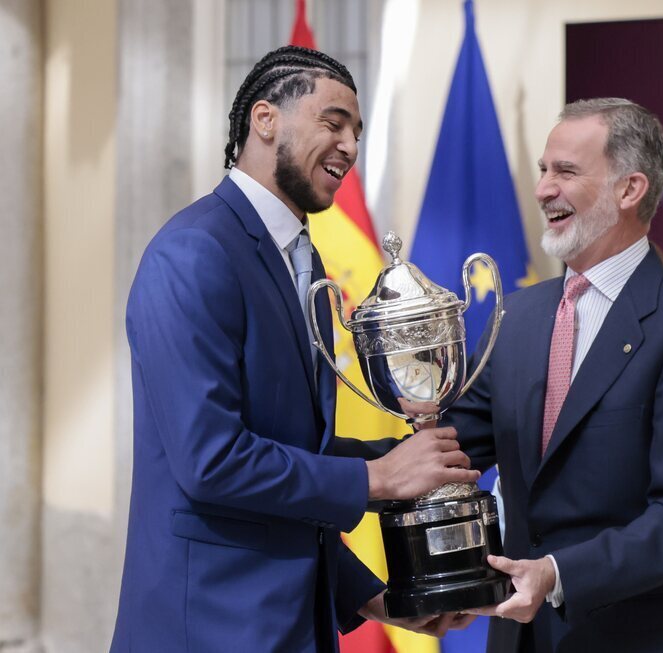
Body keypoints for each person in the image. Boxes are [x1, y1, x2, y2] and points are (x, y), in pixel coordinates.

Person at [110, 46, 479, 653]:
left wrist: (379, 598)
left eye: (356, 132)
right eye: (332, 122)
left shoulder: (302, 262)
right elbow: (214, 461)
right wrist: (377, 476)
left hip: (290, 629)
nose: (350, 147)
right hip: (208, 631)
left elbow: (289, 452)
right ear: (265, 120)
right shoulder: (193, 252)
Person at [443, 98, 663, 652]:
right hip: (519, 639)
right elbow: (447, 452)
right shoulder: (514, 318)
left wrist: (559, 574)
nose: (542, 190)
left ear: (629, 190)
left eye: (564, 171)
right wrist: (327, 461)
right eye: (542, 170)